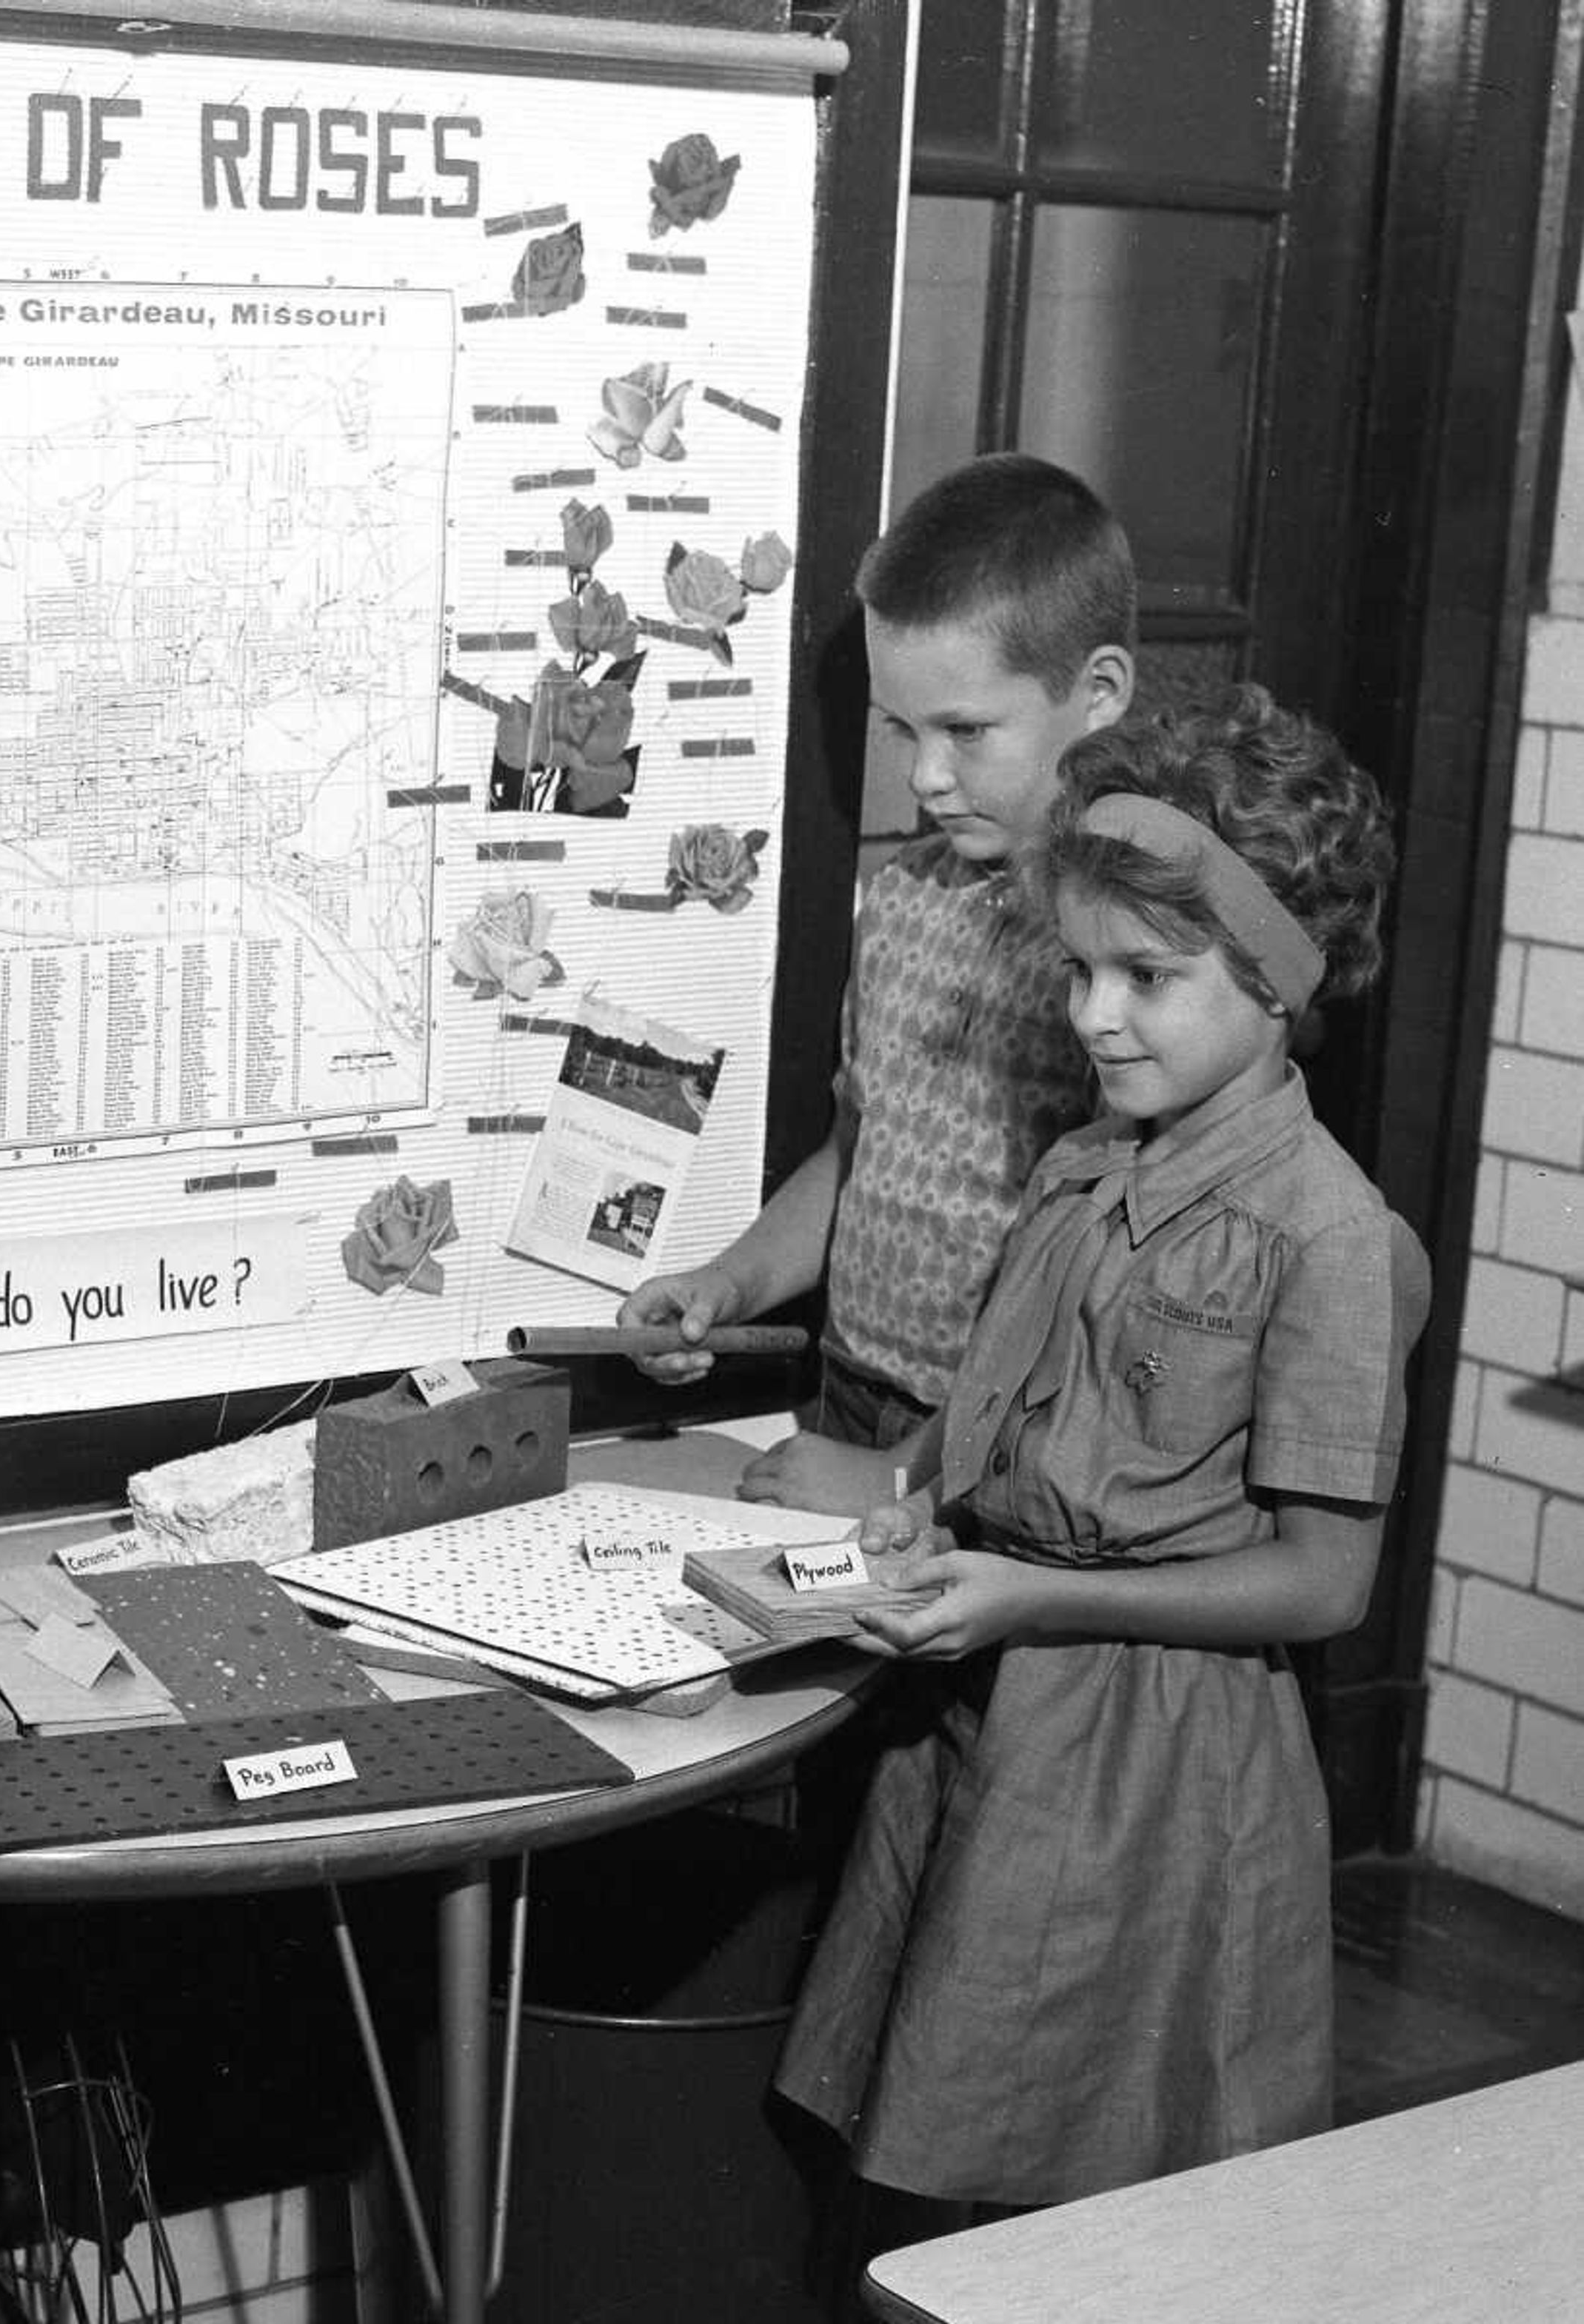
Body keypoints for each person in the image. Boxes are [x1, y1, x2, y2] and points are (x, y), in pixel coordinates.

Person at [775, 686, 1431, 2229]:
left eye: (1147, 975)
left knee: (1086, 2201)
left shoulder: (1332, 1239)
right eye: (1078, 968)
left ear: (1277, 983)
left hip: (1156, 1779)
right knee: (930, 2166)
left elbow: (1325, 1581)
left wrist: (1030, 1599)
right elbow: (1005, 1410)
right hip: (991, 1723)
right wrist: (915, 1494)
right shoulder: (1079, 1169)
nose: (1091, 1015)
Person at [621, 454, 1134, 1514]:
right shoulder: (904, 899)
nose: (925, 776)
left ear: (1098, 696)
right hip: (848, 1400)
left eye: (967, 731)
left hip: (1014, 1448)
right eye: (904, 730)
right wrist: (731, 1284)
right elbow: (859, 1150)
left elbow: (1111, 1289)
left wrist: (911, 1474)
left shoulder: (1133, 953)